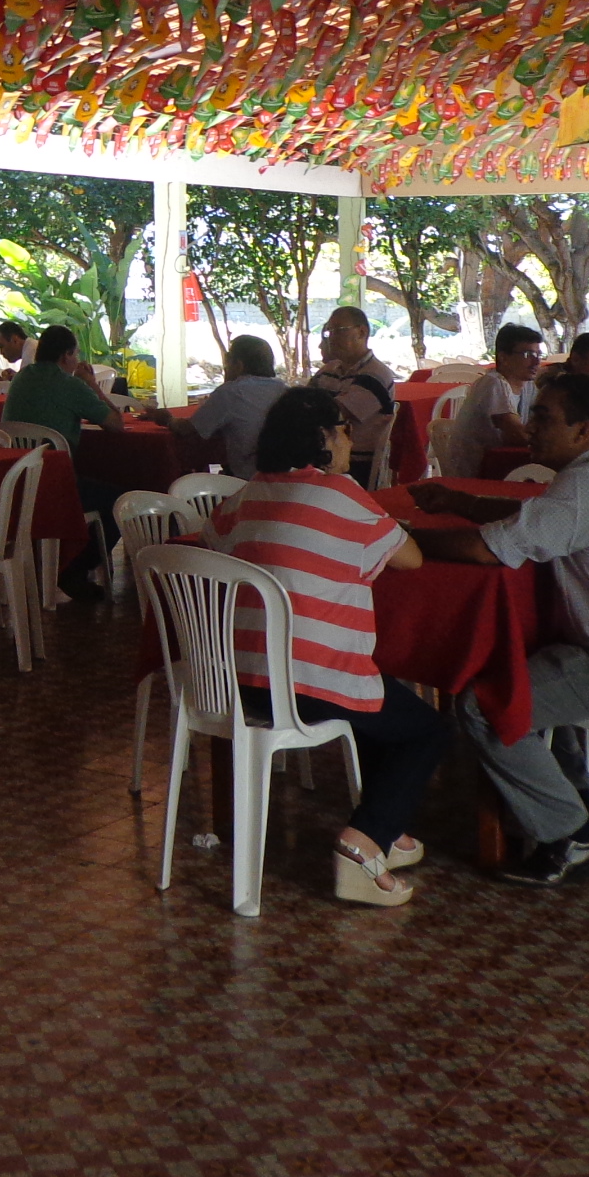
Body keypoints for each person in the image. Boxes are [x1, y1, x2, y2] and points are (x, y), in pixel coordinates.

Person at [405, 374, 589, 887]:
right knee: (524, 672)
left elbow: (485, 549)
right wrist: (463, 504)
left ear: (583, 430)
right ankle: (575, 806)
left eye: (543, 417)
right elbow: (536, 518)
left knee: (488, 704)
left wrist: (401, 540)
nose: (530, 425)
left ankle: (572, 836)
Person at [199, 386, 444, 907]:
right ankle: (361, 844)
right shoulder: (341, 492)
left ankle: (386, 826)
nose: (349, 439)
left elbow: (212, 540)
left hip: (239, 681)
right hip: (309, 684)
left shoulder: (247, 494)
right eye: (343, 429)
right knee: (426, 730)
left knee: (381, 706)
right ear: (322, 438)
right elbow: (412, 559)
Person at [0, 325, 126, 598]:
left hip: (15, 482)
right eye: (76, 354)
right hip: (55, 486)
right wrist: (91, 384)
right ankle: (73, 570)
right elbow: (116, 424)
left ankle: (63, 566)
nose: (77, 360)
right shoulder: (71, 385)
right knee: (119, 501)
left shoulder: (21, 379)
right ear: (66, 355)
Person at [170, 333, 289, 473]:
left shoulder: (231, 392)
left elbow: (189, 429)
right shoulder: (285, 390)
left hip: (247, 476)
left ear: (238, 365)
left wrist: (168, 419)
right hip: (285, 475)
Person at [310, 305, 398, 485]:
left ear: (361, 332)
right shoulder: (329, 370)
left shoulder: (376, 374)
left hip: (355, 463)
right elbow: (300, 402)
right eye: (329, 332)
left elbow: (334, 414)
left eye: (338, 331)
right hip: (324, 455)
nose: (331, 338)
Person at [447, 324, 542, 477]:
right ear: (504, 357)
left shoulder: (528, 386)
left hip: (504, 466)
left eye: (538, 354)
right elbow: (516, 434)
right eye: (528, 354)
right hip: (476, 475)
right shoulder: (492, 383)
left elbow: (542, 422)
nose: (536, 361)